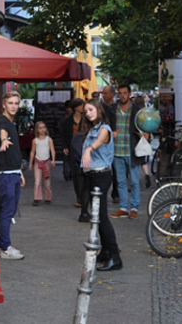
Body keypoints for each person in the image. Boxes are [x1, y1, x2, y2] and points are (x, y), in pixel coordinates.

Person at [80, 98, 123, 271]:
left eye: (91, 109)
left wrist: (89, 150)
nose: (88, 113)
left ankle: (115, 256)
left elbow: (99, 142)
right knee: (97, 218)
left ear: (99, 109)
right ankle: (106, 252)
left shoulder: (104, 129)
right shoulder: (92, 128)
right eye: (86, 111)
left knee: (102, 218)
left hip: (101, 176)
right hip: (92, 176)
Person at [0, 91, 26, 260]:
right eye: (11, 103)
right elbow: (2, 131)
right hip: (6, 174)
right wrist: (4, 140)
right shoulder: (2, 120)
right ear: (4, 105)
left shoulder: (12, 122)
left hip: (12, 172)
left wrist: (19, 171)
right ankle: (5, 247)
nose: (14, 106)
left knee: (10, 211)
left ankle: (2, 245)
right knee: (7, 212)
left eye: (16, 103)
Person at [109, 84, 147, 220]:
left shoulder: (137, 110)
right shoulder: (113, 109)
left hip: (132, 150)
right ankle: (123, 208)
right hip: (117, 150)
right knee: (120, 181)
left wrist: (145, 134)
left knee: (135, 181)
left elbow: (145, 125)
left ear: (129, 94)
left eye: (125, 93)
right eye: (120, 93)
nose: (122, 95)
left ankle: (134, 208)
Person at [61, 98, 85, 207]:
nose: (83, 107)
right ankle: (79, 197)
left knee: (83, 173)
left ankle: (84, 196)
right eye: (81, 105)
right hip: (72, 148)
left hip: (84, 148)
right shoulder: (68, 120)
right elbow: (65, 134)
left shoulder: (86, 119)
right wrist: (65, 146)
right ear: (76, 107)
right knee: (75, 173)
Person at [28, 121, 56, 206]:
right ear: (37, 130)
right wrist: (30, 163)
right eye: (40, 128)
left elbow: (52, 150)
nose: (42, 129)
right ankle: (36, 198)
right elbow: (32, 152)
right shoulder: (35, 141)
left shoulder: (49, 139)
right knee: (37, 181)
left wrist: (53, 160)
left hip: (46, 162)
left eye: (44, 127)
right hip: (37, 162)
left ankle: (48, 197)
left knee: (47, 181)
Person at [101, 85, 119, 204]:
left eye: (106, 93)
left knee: (116, 169)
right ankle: (102, 193)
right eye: (103, 93)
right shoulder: (101, 107)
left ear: (112, 94)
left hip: (116, 140)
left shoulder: (117, 107)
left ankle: (116, 193)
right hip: (103, 140)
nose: (103, 95)